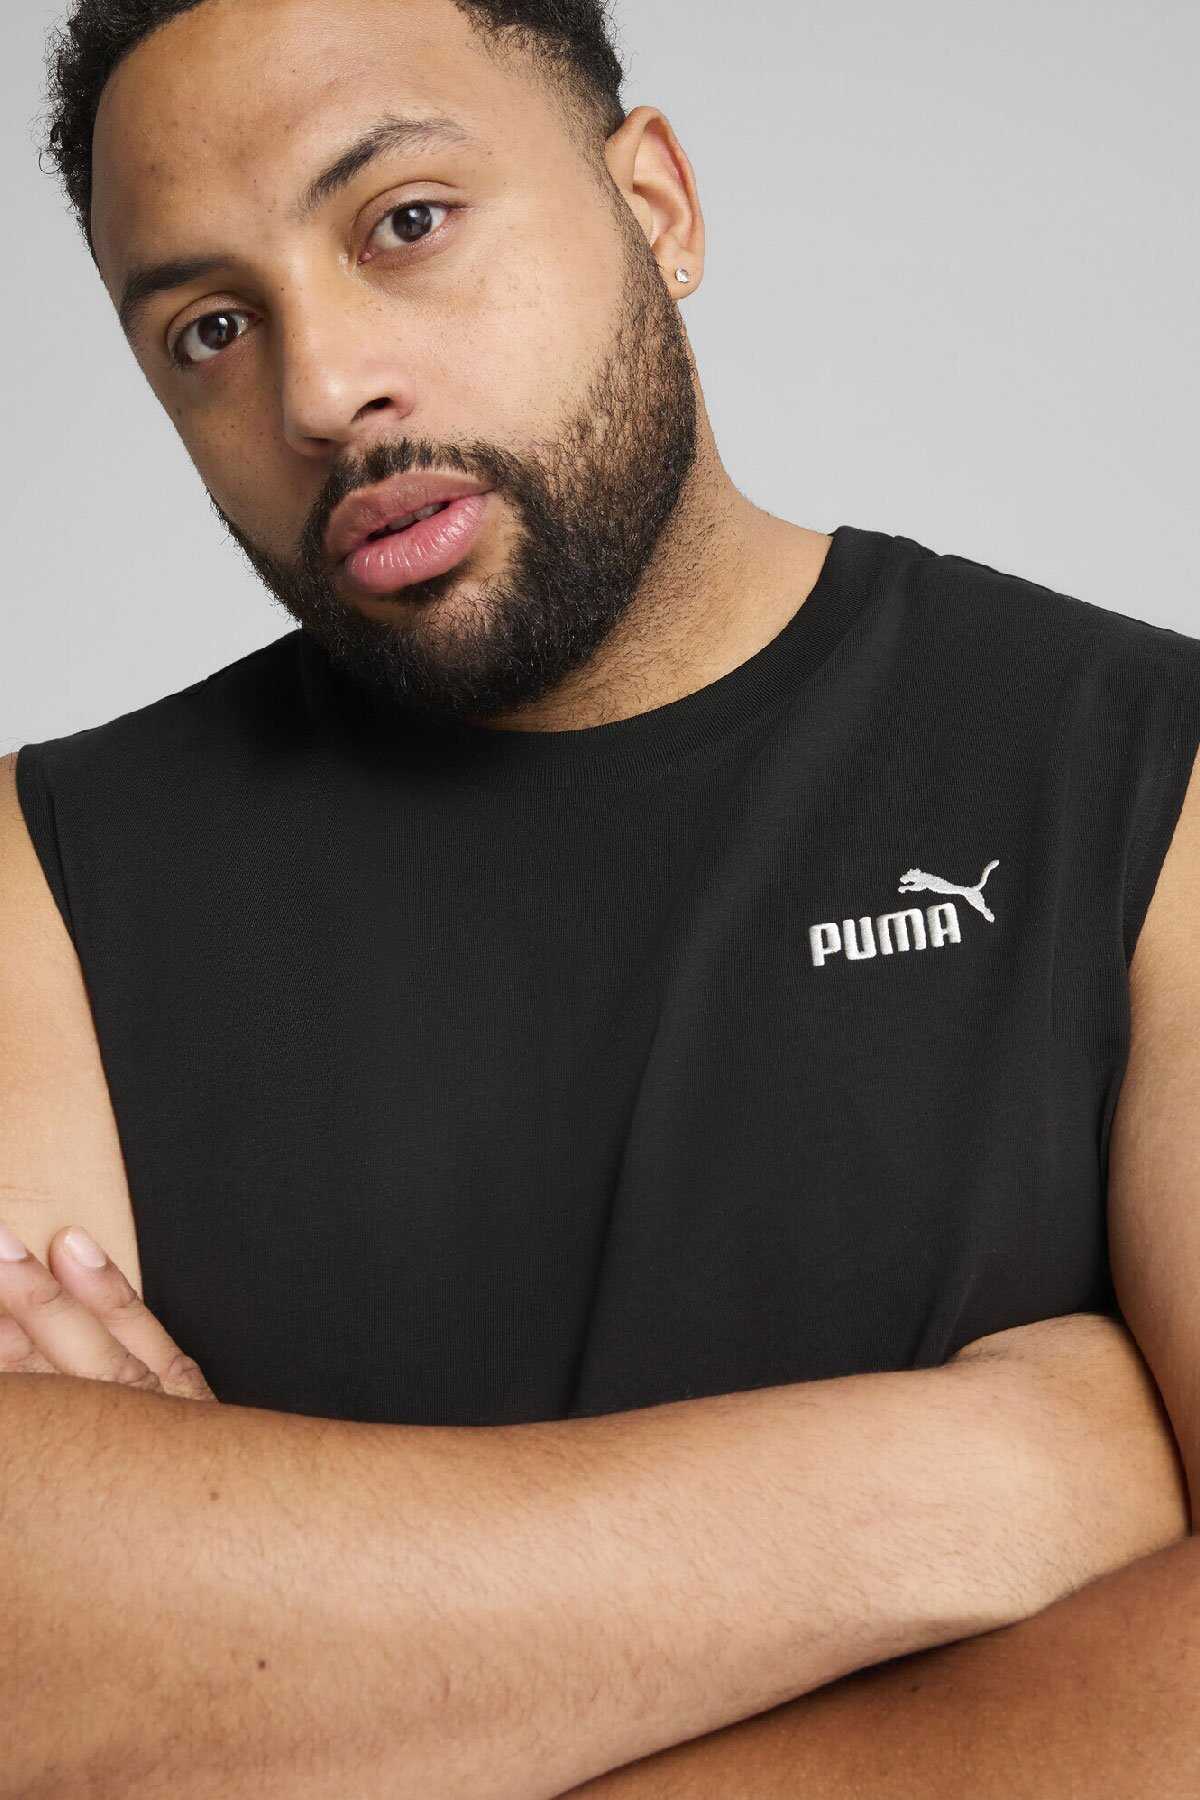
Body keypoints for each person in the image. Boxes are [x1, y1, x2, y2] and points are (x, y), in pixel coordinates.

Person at [3, 1, 1200, 1794]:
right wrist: (979, 1482)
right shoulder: (36, 875)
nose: (320, 391)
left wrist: (274, 1697)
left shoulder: (1149, 776)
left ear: (657, 207)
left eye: (405, 221)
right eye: (209, 328)